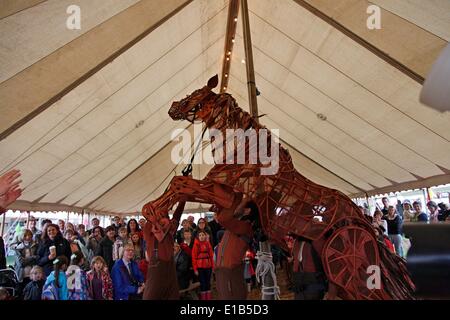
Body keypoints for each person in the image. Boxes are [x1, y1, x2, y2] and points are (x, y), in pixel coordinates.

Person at [143, 199, 186, 300]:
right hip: (157, 268)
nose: (164, 217)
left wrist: (182, 201)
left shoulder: (170, 229)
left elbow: (177, 216)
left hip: (170, 268)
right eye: (161, 214)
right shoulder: (149, 229)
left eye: (165, 214)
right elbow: (149, 217)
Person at [214, 196, 255, 300]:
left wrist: (239, 198)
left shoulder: (245, 226)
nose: (237, 208)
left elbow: (223, 218)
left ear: (247, 210)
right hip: (225, 272)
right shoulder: (239, 223)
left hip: (229, 273)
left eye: (241, 206)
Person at [192, 230, 214, 300]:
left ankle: (209, 298)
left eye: (203, 235)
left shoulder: (208, 244)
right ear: (198, 237)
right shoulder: (196, 245)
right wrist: (195, 269)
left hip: (208, 266)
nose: (201, 236)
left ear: (205, 236)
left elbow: (211, 256)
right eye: (200, 235)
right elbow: (194, 258)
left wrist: (213, 267)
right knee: (203, 284)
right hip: (200, 267)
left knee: (208, 283)